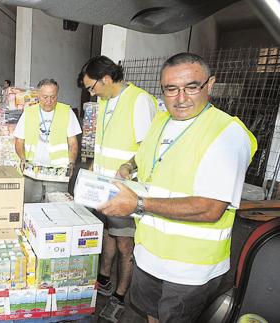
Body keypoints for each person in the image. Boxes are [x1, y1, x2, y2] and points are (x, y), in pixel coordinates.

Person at [99, 52, 257, 323]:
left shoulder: (227, 134)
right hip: (149, 254)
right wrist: (129, 166)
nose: (181, 97)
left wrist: (137, 203)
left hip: (190, 269)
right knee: (151, 315)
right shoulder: (162, 120)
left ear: (210, 85)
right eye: (171, 89)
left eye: (191, 87)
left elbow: (210, 208)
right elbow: (145, 154)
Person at [81, 55, 157, 322]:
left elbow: (148, 150)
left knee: (125, 243)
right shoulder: (106, 101)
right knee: (107, 234)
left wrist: (127, 167)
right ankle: (104, 279)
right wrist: (93, 167)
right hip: (102, 186)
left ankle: (121, 294)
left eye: (93, 87)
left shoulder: (139, 101)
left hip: (125, 190)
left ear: (107, 79)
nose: (92, 93)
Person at [14, 79, 82, 203]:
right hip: (32, 171)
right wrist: (23, 158)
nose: (49, 101)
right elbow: (19, 141)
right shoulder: (29, 113)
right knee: (30, 207)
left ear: (57, 95)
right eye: (45, 97)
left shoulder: (67, 112)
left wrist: (71, 163)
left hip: (57, 172)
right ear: (38, 95)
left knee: (57, 210)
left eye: (53, 97)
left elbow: (73, 143)